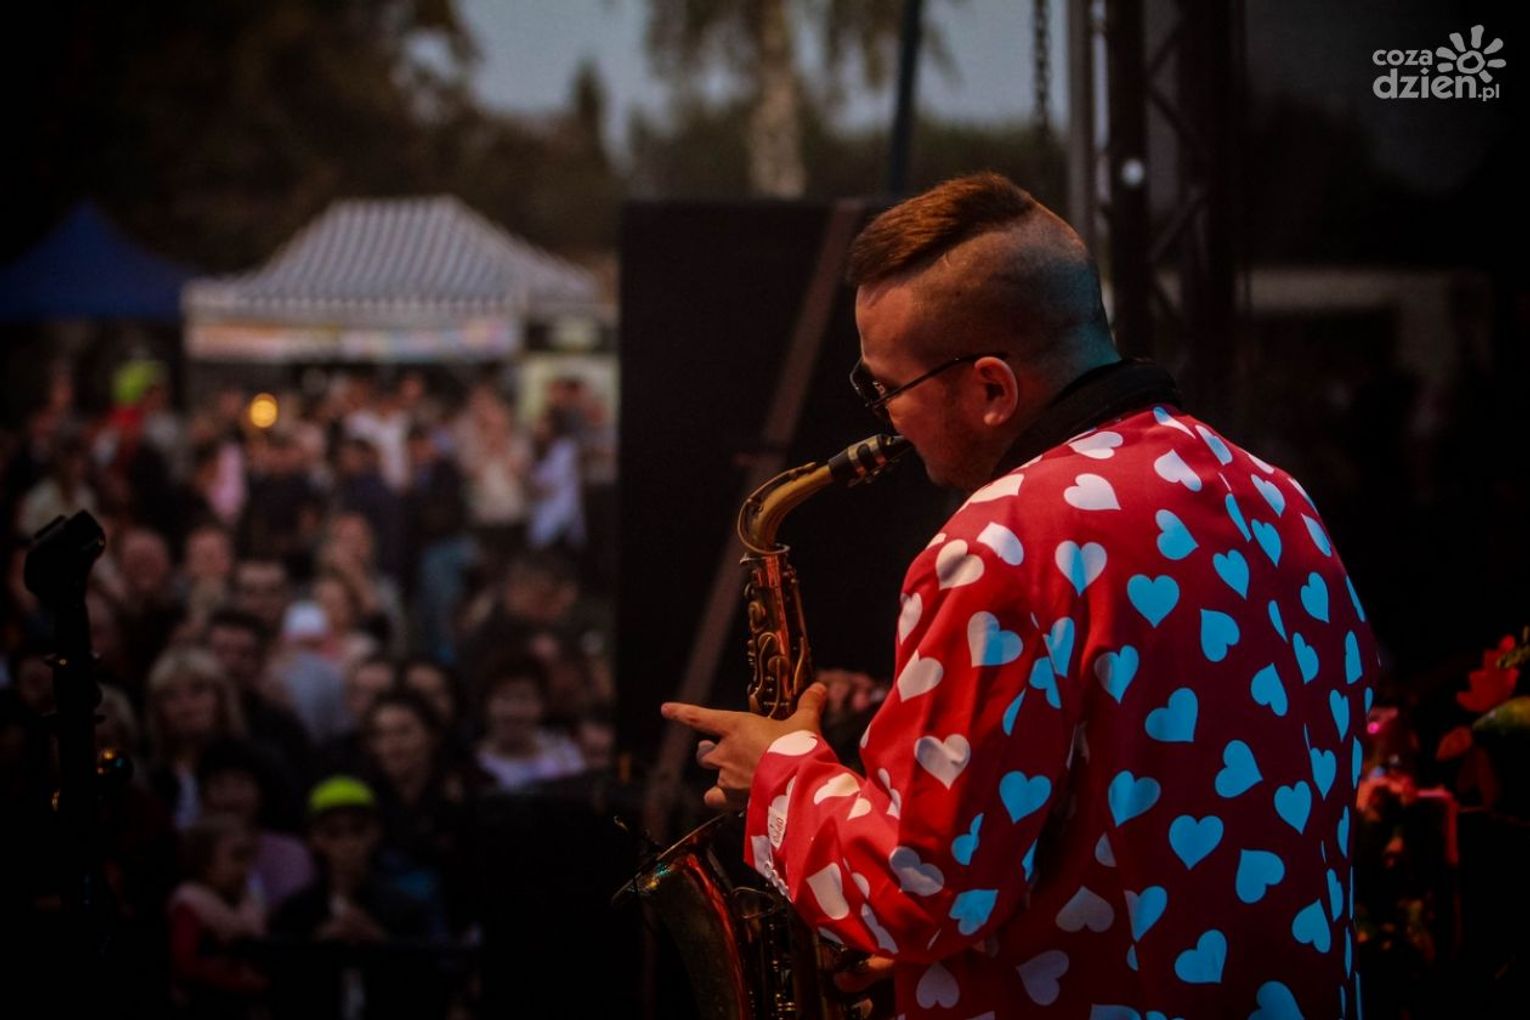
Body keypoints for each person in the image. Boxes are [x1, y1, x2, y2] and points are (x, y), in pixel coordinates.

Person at [663, 173, 1378, 1018]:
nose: (885, 421)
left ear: (992, 389)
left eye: (884, 388)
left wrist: (779, 775)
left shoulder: (1002, 543)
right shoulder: (1276, 496)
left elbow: (923, 892)